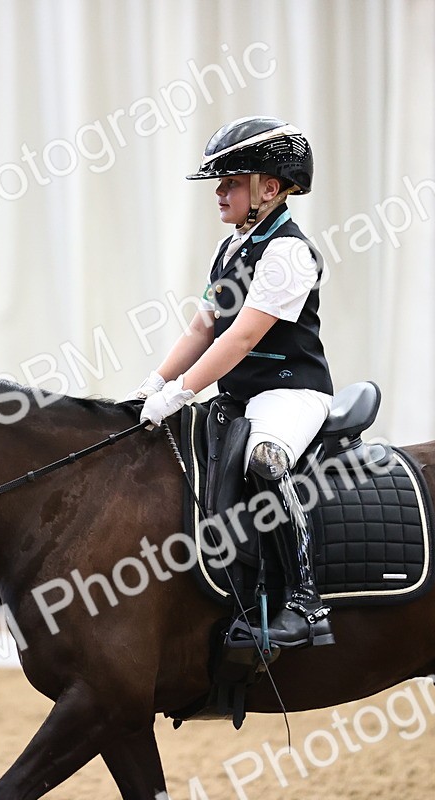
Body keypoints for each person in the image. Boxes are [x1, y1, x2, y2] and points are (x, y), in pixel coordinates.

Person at [127, 116, 335, 649]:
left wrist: (181, 392)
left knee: (265, 461)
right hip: (240, 394)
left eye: (231, 181)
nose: (220, 193)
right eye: (220, 182)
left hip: (291, 392)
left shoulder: (288, 253)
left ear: (270, 188)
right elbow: (203, 327)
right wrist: (155, 383)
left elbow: (239, 340)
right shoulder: (234, 246)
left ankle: (305, 602)